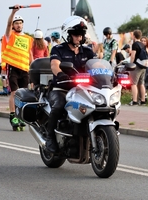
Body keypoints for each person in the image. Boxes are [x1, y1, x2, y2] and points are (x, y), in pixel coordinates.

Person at [46, 16, 94, 153]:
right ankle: (50, 137)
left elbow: (96, 66)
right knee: (59, 106)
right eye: (76, 34)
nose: (79, 37)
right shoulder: (58, 49)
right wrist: (60, 74)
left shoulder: (88, 51)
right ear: (68, 34)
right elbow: (55, 65)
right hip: (62, 87)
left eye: (81, 34)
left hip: (83, 89)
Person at [1, 5, 34, 130]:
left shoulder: (28, 38)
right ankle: (13, 115)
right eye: (16, 23)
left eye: (20, 23)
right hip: (13, 68)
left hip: (24, 69)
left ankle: (21, 115)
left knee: (24, 94)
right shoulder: (10, 36)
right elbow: (8, 25)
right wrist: (13, 13)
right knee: (14, 93)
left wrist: (33, 66)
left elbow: (29, 53)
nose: (18, 25)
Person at [129, 30, 148, 106]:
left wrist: (131, 64)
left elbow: (133, 55)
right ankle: (143, 100)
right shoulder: (143, 44)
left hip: (137, 66)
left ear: (134, 36)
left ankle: (135, 101)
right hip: (144, 66)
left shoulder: (135, 44)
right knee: (141, 83)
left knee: (133, 84)